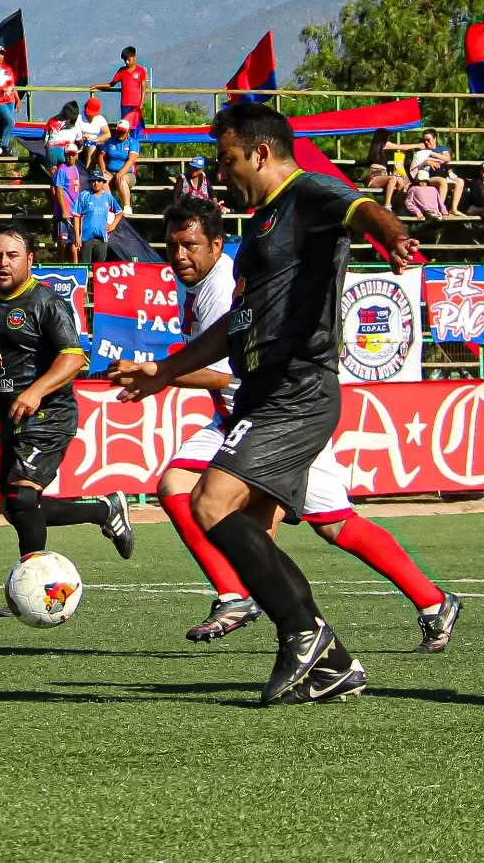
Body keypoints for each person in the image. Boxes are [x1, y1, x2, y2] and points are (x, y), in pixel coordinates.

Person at [114, 101, 419, 706]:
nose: (222, 174)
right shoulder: (258, 229)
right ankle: (330, 663)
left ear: (260, 152)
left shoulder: (311, 194)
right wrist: (163, 371)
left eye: (228, 161)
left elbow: (362, 210)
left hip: (298, 388)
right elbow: (236, 323)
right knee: (246, 529)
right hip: (262, 391)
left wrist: (396, 237)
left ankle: (305, 632)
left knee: (207, 500)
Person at [110, 197, 462, 649]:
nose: (180, 255)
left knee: (308, 521)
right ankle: (428, 602)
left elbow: (230, 371)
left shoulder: (222, 287)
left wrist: (162, 372)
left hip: (274, 416)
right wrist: (164, 373)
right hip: (245, 416)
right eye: (173, 245)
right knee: (316, 520)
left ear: (216, 244)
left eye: (190, 245)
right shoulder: (199, 281)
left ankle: (245, 599)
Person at [0, 221, 135, 565]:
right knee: (13, 506)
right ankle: (104, 509)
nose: (2, 262)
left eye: (12, 255)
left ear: (30, 260)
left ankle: (35, 581)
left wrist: (36, 391)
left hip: (50, 414)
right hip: (10, 416)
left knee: (22, 497)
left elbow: (73, 357)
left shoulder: (46, 302)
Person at [92, 45, 149, 131]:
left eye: (128, 59)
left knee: (138, 127)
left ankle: (137, 142)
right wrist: (97, 86)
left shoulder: (141, 71)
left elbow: (143, 88)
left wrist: (142, 102)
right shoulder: (122, 71)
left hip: (136, 105)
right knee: (125, 126)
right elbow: (111, 84)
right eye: (125, 60)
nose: (126, 62)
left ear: (134, 58)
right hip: (125, 104)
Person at [73, 169, 122, 265]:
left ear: (103, 182)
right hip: (86, 237)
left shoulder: (108, 197)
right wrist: (77, 236)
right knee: (85, 265)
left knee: (100, 266)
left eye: (99, 180)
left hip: (102, 237)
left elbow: (119, 212)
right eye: (93, 181)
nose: (96, 183)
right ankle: (87, 281)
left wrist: (113, 225)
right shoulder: (84, 195)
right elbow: (76, 216)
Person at [417, 129, 465, 214]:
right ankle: (440, 208)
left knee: (460, 181)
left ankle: (453, 209)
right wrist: (427, 162)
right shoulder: (421, 151)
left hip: (443, 176)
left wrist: (432, 153)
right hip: (428, 178)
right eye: (424, 140)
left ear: (435, 139)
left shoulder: (442, 148)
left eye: (428, 140)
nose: (426, 142)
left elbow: (447, 158)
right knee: (442, 181)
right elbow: (416, 165)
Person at [362, 128, 411, 210]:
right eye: (388, 137)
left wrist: (406, 180)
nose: (389, 138)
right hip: (374, 178)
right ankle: (387, 205)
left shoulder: (380, 150)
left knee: (401, 181)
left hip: (383, 177)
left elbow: (399, 167)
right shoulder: (383, 145)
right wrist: (418, 145)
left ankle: (399, 206)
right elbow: (402, 147)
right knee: (393, 178)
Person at [52, 144, 83, 263]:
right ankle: (61, 265)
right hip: (64, 212)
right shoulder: (62, 169)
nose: (71, 157)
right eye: (68, 154)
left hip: (74, 212)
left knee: (75, 242)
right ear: (65, 155)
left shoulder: (76, 169)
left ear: (77, 155)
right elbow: (58, 190)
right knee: (62, 241)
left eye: (73, 154)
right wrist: (64, 210)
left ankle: (75, 266)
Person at [101, 119, 140, 215]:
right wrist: (103, 169)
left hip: (127, 173)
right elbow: (101, 155)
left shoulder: (133, 142)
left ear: (128, 132)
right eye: (119, 131)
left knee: (121, 179)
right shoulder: (110, 142)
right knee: (102, 179)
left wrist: (120, 173)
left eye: (122, 132)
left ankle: (127, 206)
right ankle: (111, 206)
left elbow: (131, 160)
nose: (120, 134)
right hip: (110, 172)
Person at [71, 97, 111, 170]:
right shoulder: (79, 117)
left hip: (96, 142)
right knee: (91, 147)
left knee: (93, 147)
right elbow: (74, 131)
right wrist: (81, 136)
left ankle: (89, 169)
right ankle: (88, 169)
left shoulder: (100, 119)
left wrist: (95, 140)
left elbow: (107, 134)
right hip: (82, 143)